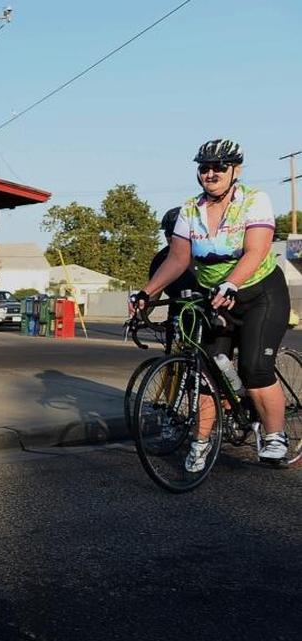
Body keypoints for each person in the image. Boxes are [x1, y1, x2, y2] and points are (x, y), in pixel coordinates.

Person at [132, 139, 290, 472]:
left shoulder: (255, 200)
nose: (211, 173)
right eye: (204, 167)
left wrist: (232, 281)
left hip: (259, 293)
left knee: (253, 369)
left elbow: (256, 251)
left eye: (219, 166)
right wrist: (146, 293)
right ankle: (200, 442)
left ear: (236, 170)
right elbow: (177, 258)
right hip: (216, 298)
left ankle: (275, 435)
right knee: (206, 374)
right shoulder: (190, 209)